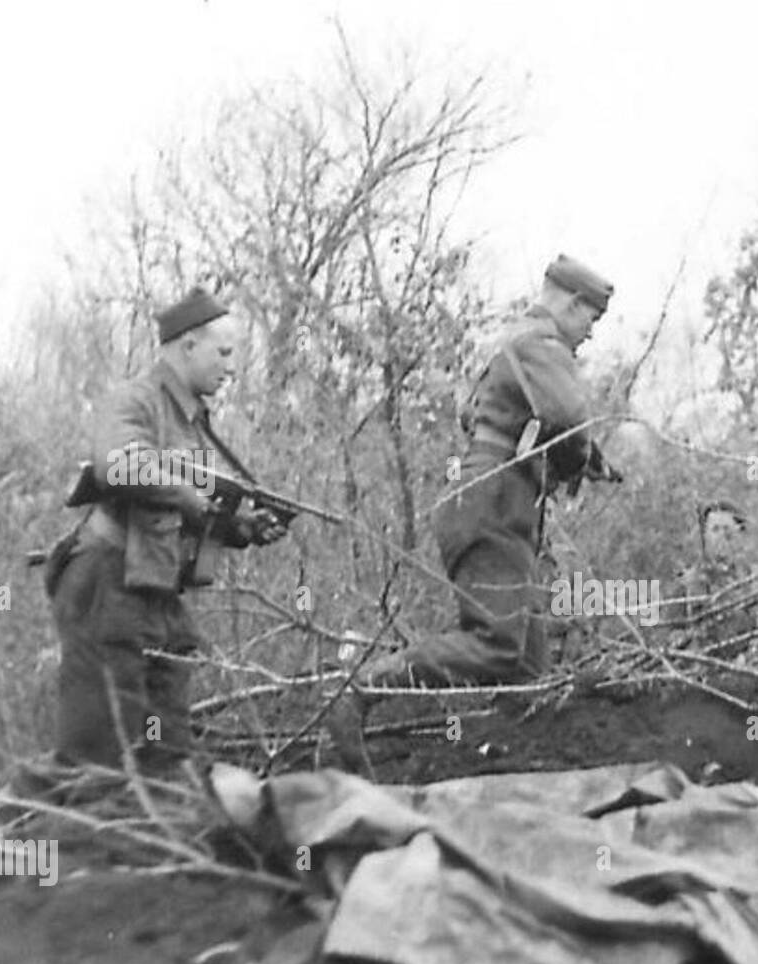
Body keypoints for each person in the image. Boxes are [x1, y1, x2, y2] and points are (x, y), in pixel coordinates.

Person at [328, 254, 618, 769]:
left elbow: (482, 416)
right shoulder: (540, 342)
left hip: (489, 492)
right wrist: (577, 460)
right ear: (571, 304)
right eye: (591, 319)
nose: (591, 334)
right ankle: (365, 688)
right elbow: (571, 418)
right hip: (496, 499)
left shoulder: (510, 342)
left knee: (529, 678)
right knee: (497, 647)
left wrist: (573, 457)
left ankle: (525, 778)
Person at [47, 287, 288, 774]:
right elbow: (118, 465)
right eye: (223, 352)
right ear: (187, 346)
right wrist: (196, 501)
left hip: (154, 596)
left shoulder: (195, 424)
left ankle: (154, 838)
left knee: (168, 757)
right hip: (106, 587)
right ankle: (19, 840)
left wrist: (239, 526)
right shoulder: (135, 400)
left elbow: (184, 510)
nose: (231, 367)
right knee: (95, 762)